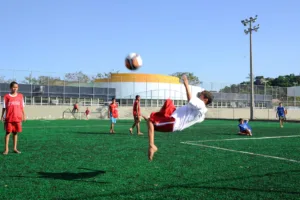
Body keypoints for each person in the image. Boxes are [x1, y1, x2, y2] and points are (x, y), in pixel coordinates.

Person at [144, 75, 213, 161]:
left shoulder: (201, 104)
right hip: (173, 116)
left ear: (205, 100)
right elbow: (199, 117)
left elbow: (190, 99)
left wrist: (186, 84)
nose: (200, 96)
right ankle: (157, 119)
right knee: (168, 103)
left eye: (202, 95)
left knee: (150, 121)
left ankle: (152, 146)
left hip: (174, 122)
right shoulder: (202, 113)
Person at [1, 81, 26, 155]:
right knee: (8, 133)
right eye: (13, 87)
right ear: (10, 88)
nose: (15, 89)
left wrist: (24, 115)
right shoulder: (6, 96)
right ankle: (6, 150)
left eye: (16, 87)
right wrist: (2, 116)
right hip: (9, 118)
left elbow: (22, 107)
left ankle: (15, 148)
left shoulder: (20, 96)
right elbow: (4, 107)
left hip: (17, 118)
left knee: (15, 133)